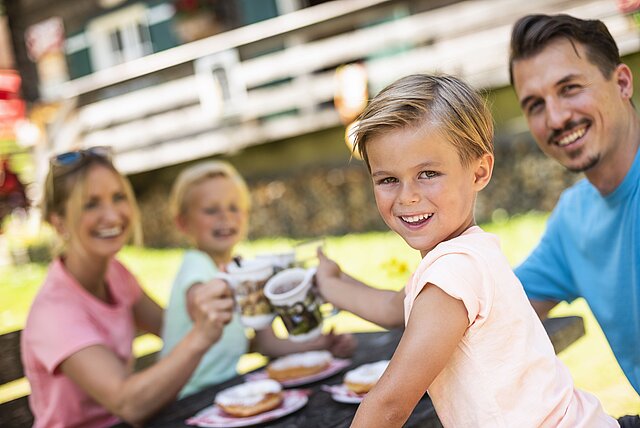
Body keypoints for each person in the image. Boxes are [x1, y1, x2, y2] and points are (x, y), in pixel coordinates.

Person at [315, 74, 617, 427]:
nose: (407, 196)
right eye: (388, 179)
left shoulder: (453, 272)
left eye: (428, 173)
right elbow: (393, 308)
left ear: (479, 171)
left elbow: (390, 405)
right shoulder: (465, 253)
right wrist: (330, 282)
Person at [21, 147, 235, 427]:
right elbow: (129, 403)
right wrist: (201, 336)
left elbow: (169, 327)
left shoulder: (116, 274)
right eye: (91, 204)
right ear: (58, 222)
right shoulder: (54, 312)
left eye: (118, 197)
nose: (112, 216)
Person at [509, 14, 640, 400]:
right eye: (535, 105)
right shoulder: (574, 218)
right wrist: (334, 285)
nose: (556, 118)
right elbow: (484, 309)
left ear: (621, 83)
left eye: (569, 88)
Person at [161, 160, 355, 397]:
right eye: (211, 210)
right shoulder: (196, 263)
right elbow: (197, 300)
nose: (225, 217)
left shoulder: (242, 270)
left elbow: (268, 343)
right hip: (186, 395)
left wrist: (318, 345)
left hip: (225, 389)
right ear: (183, 222)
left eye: (234, 208)